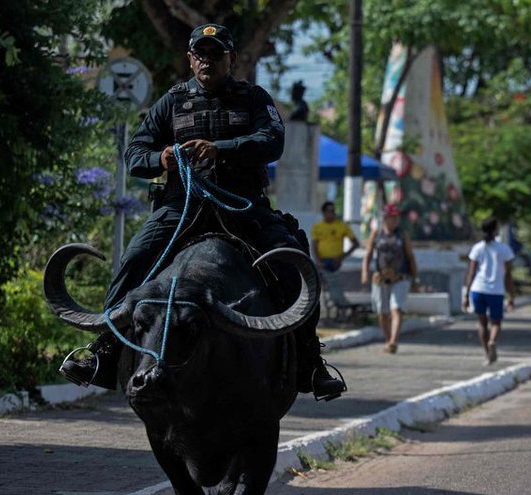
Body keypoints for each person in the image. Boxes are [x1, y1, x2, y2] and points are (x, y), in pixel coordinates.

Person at [59, 24, 345, 400]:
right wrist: (160, 157)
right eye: (201, 53)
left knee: (293, 267)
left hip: (241, 206)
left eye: (216, 53)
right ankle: (105, 352)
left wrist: (220, 148)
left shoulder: (255, 98)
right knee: (134, 261)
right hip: (180, 208)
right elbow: (134, 155)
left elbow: (272, 141)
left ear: (232, 58)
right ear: (190, 59)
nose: (207, 60)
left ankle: (310, 363)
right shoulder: (171, 102)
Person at [361, 204, 417, 353]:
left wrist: (415, 278)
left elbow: (410, 256)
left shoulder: (402, 234)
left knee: (397, 309)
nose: (395, 220)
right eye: (392, 217)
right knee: (382, 312)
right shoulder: (376, 233)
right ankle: (388, 340)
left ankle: (393, 341)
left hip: (400, 277)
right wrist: (365, 273)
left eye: (396, 217)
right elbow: (367, 255)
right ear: (385, 218)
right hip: (380, 278)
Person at [462, 217, 516, 365]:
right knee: (496, 322)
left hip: (478, 289)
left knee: (481, 323)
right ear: (495, 230)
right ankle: (492, 340)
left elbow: (471, 273)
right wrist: (511, 295)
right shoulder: (504, 249)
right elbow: (508, 275)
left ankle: (487, 354)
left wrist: (466, 295)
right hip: (496, 291)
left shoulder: (477, 248)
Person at [310, 201, 358, 310]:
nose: (332, 213)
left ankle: (339, 303)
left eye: (333, 211)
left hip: (335, 262)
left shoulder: (341, 226)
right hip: (321, 262)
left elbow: (355, 243)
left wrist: (342, 256)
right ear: (324, 212)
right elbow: (314, 245)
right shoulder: (318, 227)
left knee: (334, 284)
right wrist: (318, 261)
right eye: (329, 211)